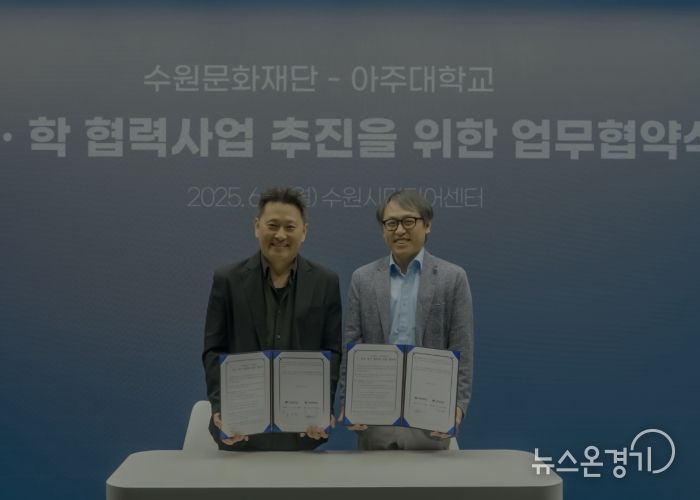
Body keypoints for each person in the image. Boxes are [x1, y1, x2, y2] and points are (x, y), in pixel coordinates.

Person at [202, 187, 342, 451]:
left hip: (302, 433)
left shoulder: (325, 282)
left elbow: (332, 351)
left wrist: (323, 409)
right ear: (257, 227)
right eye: (272, 225)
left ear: (304, 231)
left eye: (290, 227)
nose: (280, 235)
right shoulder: (227, 280)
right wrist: (221, 408)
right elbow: (214, 350)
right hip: (241, 431)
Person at [338, 189, 474, 450]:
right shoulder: (362, 278)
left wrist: (457, 407)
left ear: (427, 225)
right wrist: (349, 400)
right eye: (391, 223)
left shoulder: (453, 277)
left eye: (408, 221)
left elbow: (462, 348)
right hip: (375, 418)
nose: (399, 230)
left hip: (431, 419)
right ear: (383, 229)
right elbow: (352, 345)